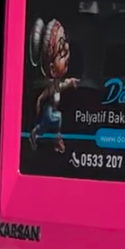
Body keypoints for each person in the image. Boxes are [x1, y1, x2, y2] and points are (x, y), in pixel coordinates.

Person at [28, 19, 78, 153]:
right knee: (55, 120)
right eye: (61, 52)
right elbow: (46, 94)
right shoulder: (51, 86)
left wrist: (70, 82)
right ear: (52, 69)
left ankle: (40, 135)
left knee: (46, 125)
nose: (67, 51)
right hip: (48, 111)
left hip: (50, 111)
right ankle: (54, 139)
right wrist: (38, 105)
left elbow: (61, 86)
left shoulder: (56, 84)